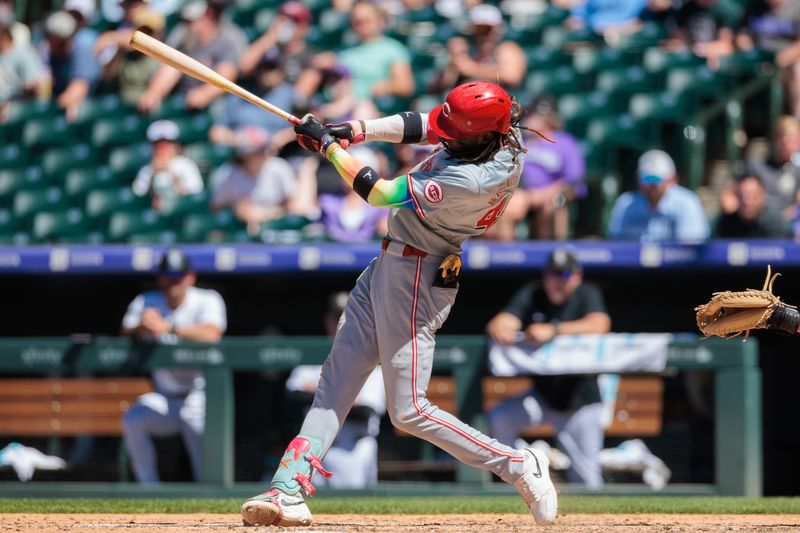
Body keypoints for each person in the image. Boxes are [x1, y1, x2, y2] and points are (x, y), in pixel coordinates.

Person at [240, 81, 558, 527]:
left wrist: (330, 148)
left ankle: (519, 465)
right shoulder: (501, 134)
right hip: (391, 263)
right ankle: (288, 488)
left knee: (409, 411)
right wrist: (352, 129)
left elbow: (380, 193)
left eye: (456, 133)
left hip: (418, 276)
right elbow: (422, 124)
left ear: (483, 135)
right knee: (335, 382)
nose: (444, 134)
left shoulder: (468, 179)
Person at [486, 248, 612, 489]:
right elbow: (503, 320)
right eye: (552, 274)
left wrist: (553, 330)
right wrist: (503, 325)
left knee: (588, 483)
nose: (557, 281)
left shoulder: (587, 293)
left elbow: (600, 323)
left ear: (577, 276)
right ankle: (530, 467)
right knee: (500, 417)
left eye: (564, 275)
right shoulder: (533, 293)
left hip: (580, 402)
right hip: (542, 397)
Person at [121, 249, 227, 484]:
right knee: (133, 419)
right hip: (165, 398)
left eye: (178, 275)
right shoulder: (147, 301)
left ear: (191, 276)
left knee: (205, 467)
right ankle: (149, 490)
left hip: (199, 395)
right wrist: (142, 325)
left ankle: (208, 497)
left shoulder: (207, 299)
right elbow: (125, 330)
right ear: (160, 277)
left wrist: (168, 328)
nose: (173, 281)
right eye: (168, 275)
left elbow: (212, 333)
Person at [284, 292, 386, 488]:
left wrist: (318, 393)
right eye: (338, 316)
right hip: (311, 449)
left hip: (352, 449)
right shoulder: (314, 356)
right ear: (328, 321)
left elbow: (364, 411)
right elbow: (294, 394)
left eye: (350, 315)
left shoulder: (371, 357)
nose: (343, 321)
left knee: (353, 513)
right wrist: (343, 396)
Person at [487, 94, 586, 241]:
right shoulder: (519, 141)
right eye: (532, 115)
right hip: (520, 194)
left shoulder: (565, 142)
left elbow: (574, 182)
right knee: (505, 209)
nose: (533, 119)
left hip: (550, 198)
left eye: (539, 116)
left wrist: (540, 196)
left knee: (552, 205)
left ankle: (553, 256)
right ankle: (507, 258)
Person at [138, 0, 242, 113]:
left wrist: (205, 93)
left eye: (192, 21)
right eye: (185, 21)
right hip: (184, 98)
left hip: (213, 105)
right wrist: (154, 92)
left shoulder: (223, 44)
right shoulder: (184, 43)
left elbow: (227, 74)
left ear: (208, 16)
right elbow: (169, 69)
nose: (187, 25)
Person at [210, 126, 304, 233]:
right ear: (244, 154)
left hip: (277, 228)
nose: (265, 153)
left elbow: (296, 207)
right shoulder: (229, 173)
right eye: (259, 150)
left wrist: (266, 213)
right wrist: (237, 210)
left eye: (266, 148)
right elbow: (215, 208)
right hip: (238, 230)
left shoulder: (279, 168)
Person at [607, 150, 710, 242]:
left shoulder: (687, 202)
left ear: (671, 180)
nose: (652, 185)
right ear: (637, 179)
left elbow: (690, 250)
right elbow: (616, 245)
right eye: (646, 179)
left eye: (657, 179)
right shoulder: (625, 204)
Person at [430, 4, 526, 92]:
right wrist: (453, 61)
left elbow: (512, 76)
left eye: (487, 29)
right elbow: (439, 87)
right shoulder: (467, 50)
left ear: (497, 29)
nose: (483, 34)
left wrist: (471, 69)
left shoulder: (507, 49)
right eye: (479, 29)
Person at [209, 51, 295, 147]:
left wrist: (282, 138)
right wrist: (235, 139)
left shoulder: (291, 95)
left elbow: (306, 125)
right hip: (240, 154)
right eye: (264, 68)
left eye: (271, 68)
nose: (266, 73)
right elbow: (216, 131)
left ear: (281, 71)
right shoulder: (240, 93)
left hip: (273, 155)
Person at [336, 1, 414, 103]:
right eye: (357, 21)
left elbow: (405, 86)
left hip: (371, 106)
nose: (362, 25)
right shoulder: (343, 51)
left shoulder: (393, 49)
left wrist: (377, 88)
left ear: (380, 20)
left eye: (367, 20)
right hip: (340, 102)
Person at [736, 0, 800, 118]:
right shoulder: (754, 6)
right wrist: (746, 46)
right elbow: (742, 35)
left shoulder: (796, 7)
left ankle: (797, 117)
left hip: (787, 60)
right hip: (759, 59)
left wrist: (787, 56)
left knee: (797, 67)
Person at [132, 120, 204, 212]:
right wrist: (152, 175)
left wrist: (171, 172)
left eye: (167, 144)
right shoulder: (147, 169)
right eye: (158, 145)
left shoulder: (186, 165)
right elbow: (139, 199)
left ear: (175, 145)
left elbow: (195, 196)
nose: (162, 149)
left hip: (182, 213)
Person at [43, 9, 101, 121]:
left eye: (63, 42)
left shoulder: (83, 45)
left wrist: (48, 108)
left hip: (92, 109)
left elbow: (78, 90)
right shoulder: (50, 50)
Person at [741, 115, 800, 219]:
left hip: (785, 229)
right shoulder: (757, 165)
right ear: (775, 139)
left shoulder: (797, 171)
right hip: (758, 226)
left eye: (794, 140)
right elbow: (731, 197)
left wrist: (794, 211)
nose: (788, 145)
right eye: (785, 140)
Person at [715, 174, 788, 237]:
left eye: (753, 196)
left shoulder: (774, 222)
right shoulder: (726, 222)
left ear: (763, 196)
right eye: (742, 196)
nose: (747, 202)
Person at [0, 7, 44, 106]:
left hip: (16, 114)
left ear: (3, 31)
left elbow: (33, 87)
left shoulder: (24, 54)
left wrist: (24, 89)